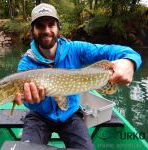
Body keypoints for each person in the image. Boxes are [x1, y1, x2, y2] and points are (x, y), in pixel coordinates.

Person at [15, 3, 142, 150]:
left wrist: (130, 61)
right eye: (40, 26)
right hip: (39, 116)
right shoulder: (25, 65)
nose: (47, 30)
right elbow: (29, 103)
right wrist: (34, 102)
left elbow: (117, 50)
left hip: (71, 115)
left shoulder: (76, 49)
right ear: (32, 30)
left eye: (51, 24)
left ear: (58, 27)